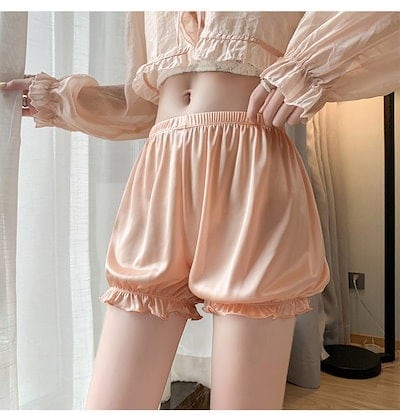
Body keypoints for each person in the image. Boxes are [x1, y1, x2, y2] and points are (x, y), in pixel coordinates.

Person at [1, 11, 399, 410]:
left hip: (250, 169)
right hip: (161, 172)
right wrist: (58, 99)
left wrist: (308, 67)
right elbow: (142, 105)